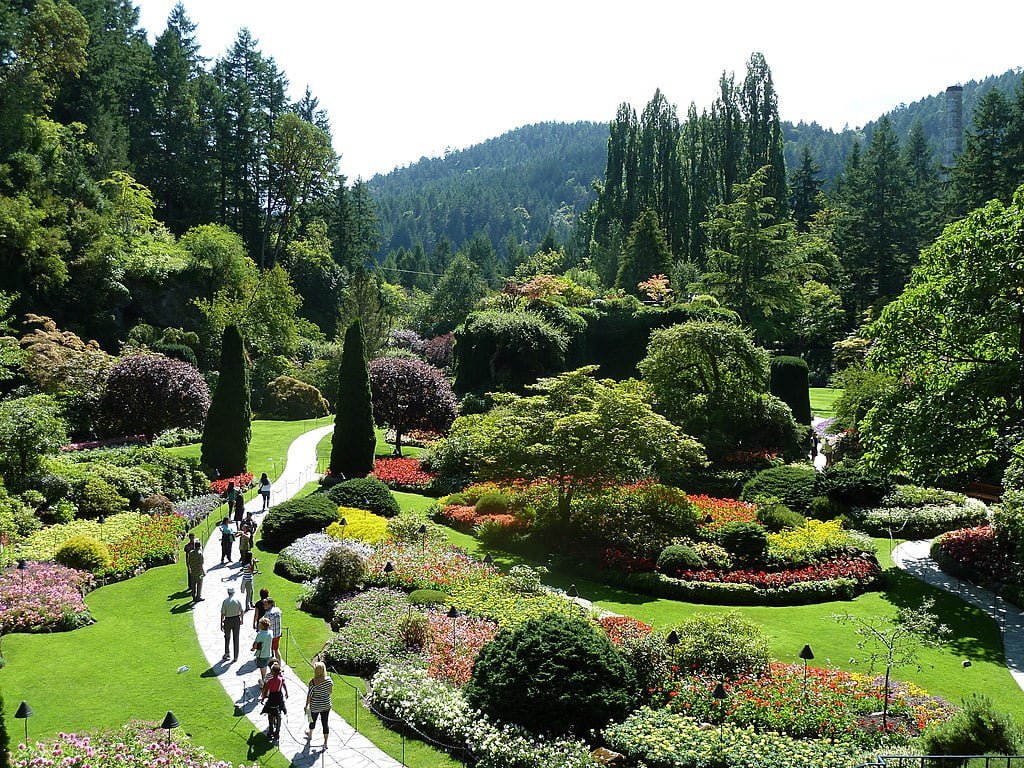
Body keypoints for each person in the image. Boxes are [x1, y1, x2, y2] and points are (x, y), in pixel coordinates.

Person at [305, 661, 333, 748]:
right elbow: (330, 692)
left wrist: (306, 705)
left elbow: (309, 695)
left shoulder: (312, 682)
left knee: (312, 720)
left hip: (315, 705)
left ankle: (310, 735)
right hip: (326, 704)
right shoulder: (329, 680)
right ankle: (325, 743)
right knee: (325, 723)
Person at [260, 662, 288, 742]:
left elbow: (266, 691)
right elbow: (284, 684)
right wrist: (286, 692)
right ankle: (277, 733)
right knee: (279, 713)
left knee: (270, 714)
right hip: (279, 697)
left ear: (273, 672)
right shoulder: (281, 679)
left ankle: (271, 731)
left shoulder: (270, 681)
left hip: (272, 697)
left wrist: (263, 698)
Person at [220, 587, 243, 661]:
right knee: (236, 638)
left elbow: (223, 613)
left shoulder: (225, 601)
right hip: (236, 620)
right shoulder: (237, 600)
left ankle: (227, 653)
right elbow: (241, 611)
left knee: (227, 637)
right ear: (233, 593)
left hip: (228, 620)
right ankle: (236, 656)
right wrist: (242, 619)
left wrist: (221, 623)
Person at [252, 617, 273, 684]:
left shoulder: (260, 634)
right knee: (265, 666)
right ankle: (265, 679)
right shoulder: (270, 633)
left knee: (262, 667)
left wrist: (253, 648)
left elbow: (255, 644)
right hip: (268, 653)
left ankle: (264, 680)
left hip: (261, 654)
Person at [265, 597, 283, 662]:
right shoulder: (278, 610)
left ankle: (272, 667)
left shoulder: (268, 614)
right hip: (278, 634)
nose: (264, 605)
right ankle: (279, 666)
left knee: (269, 652)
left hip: (270, 635)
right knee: (276, 650)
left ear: (270, 604)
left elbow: (265, 624)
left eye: (266, 604)